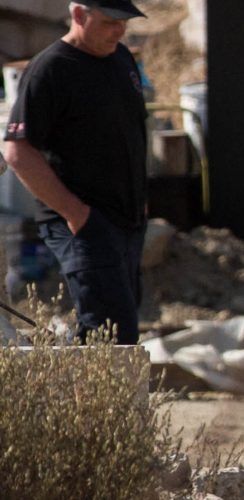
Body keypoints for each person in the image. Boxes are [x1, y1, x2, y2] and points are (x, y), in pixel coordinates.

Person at [1, 0, 151, 345]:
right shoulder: (50, 69)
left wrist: (141, 201)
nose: (119, 30)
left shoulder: (122, 59)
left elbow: (132, 133)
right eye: (110, 21)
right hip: (84, 222)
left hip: (126, 221)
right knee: (112, 335)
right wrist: (76, 214)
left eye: (124, 22)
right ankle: (104, 400)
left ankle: (96, 397)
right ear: (79, 15)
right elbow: (18, 151)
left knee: (116, 328)